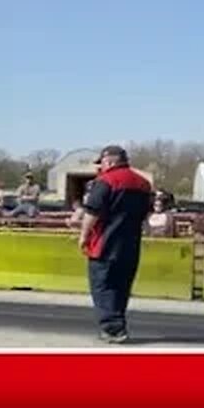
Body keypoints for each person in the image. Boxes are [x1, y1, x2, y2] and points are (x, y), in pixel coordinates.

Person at [78, 145, 152, 343]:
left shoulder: (105, 181)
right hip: (131, 244)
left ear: (109, 161)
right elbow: (146, 214)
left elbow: (92, 212)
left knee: (103, 286)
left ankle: (113, 328)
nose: (100, 168)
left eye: (101, 163)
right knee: (121, 287)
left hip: (105, 243)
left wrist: (83, 236)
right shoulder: (144, 183)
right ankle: (118, 323)